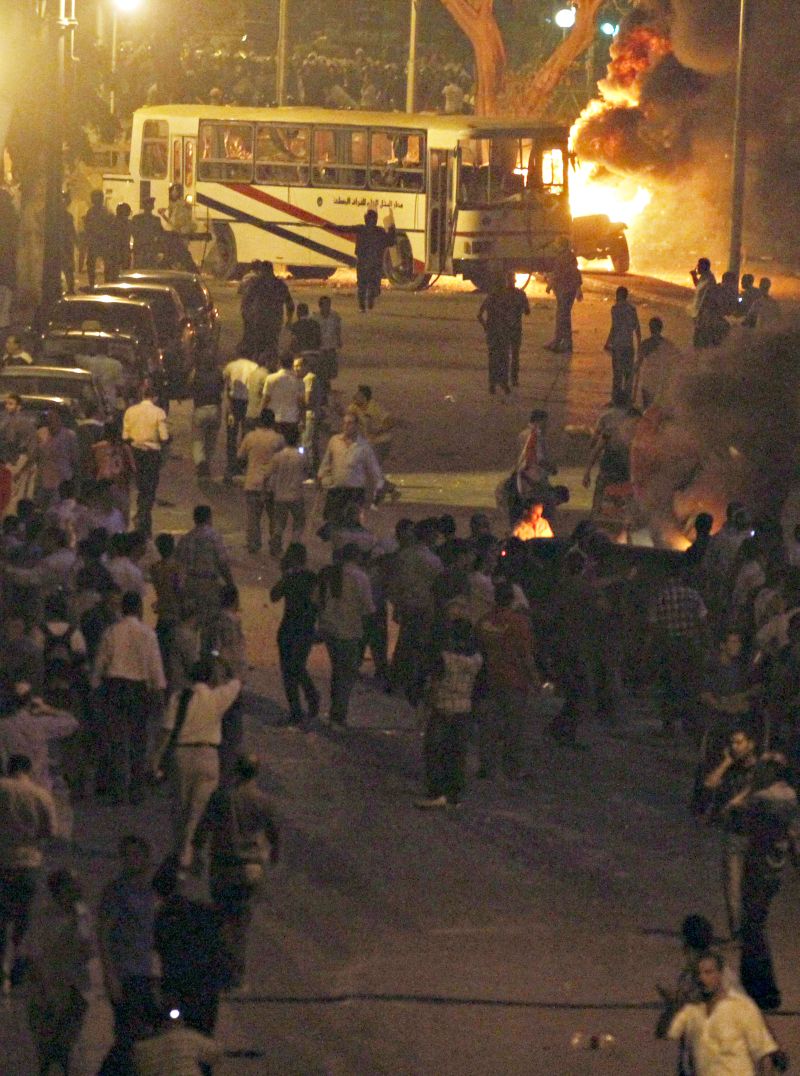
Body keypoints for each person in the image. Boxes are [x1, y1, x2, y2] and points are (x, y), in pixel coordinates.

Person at [192, 753, 280, 992]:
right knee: (240, 924)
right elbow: (274, 834)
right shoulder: (264, 801)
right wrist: (273, 854)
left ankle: (220, 973)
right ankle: (236, 976)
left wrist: (197, 853)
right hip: (250, 868)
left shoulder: (221, 797)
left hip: (223, 867)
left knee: (221, 920)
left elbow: (202, 830)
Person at [152, 659, 241, 869]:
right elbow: (237, 681)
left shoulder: (179, 698)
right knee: (199, 810)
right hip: (208, 755)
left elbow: (166, 731)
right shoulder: (218, 697)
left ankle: (180, 851)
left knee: (180, 807)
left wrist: (155, 759)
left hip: (181, 755)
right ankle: (189, 851)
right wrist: (224, 671)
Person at [151, 857, 229, 1058]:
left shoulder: (162, 916)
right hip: (205, 985)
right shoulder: (202, 911)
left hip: (177, 986)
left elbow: (159, 950)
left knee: (176, 1038)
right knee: (202, 1037)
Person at [93, 590, 167, 804]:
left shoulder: (111, 631)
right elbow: (155, 668)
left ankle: (117, 789)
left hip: (115, 687)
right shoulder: (148, 634)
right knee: (138, 740)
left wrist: (96, 686)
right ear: (139, 609)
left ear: (122, 608)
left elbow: (100, 664)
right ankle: (136, 788)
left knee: (116, 739)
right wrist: (158, 693)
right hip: (138, 689)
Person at [738, 758, 797, 1011]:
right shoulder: (790, 795)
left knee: (752, 927)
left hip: (758, 865)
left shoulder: (762, 797)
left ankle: (761, 989)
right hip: (777, 864)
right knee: (756, 925)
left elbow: (743, 823)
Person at [97, 834, 159, 1074]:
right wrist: (110, 976)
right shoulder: (116, 891)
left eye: (136, 855)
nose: (131, 860)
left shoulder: (149, 891)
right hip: (125, 972)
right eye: (126, 855)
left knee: (143, 1034)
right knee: (127, 1035)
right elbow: (103, 933)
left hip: (145, 970)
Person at [664, 950, 778, 1075]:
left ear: (720, 974)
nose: (702, 978)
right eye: (698, 974)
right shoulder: (691, 1010)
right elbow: (666, 1033)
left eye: (708, 973)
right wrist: (671, 1008)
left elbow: (764, 1053)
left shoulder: (742, 1007)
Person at [26, 868, 94, 1076]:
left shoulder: (82, 915)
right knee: (47, 1046)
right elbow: (33, 956)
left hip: (74, 987)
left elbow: (87, 950)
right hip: (48, 989)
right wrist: (44, 989)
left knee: (65, 1044)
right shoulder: (44, 918)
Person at [0, 754, 57, 995]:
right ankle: (18, 972)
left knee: (1, 920)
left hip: (2, 861)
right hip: (29, 862)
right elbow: (51, 831)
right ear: (29, 769)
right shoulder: (41, 794)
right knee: (24, 921)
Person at [415, 619, 483, 809]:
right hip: (464, 709)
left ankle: (437, 791)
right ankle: (455, 793)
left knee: (435, 751)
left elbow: (430, 678)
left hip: (442, 707)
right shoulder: (477, 660)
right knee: (457, 753)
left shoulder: (444, 658)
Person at [475, 581, 540, 780]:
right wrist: (535, 681)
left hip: (488, 678)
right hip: (513, 680)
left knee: (488, 726)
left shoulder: (484, 621)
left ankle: (487, 766)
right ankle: (513, 768)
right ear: (512, 600)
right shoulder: (519, 623)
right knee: (514, 727)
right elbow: (526, 657)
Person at [702, 723, 759, 940]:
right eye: (732, 743)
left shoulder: (760, 769)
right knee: (732, 888)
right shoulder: (731, 768)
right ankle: (738, 934)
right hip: (734, 834)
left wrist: (736, 802)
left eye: (739, 742)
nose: (734, 747)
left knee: (752, 889)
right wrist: (726, 761)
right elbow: (710, 783)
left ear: (750, 744)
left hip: (755, 835)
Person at [317, 544, 375, 726]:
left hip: (329, 629)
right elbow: (368, 608)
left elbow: (316, 600)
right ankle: (338, 716)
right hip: (348, 631)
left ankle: (335, 712)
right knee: (346, 676)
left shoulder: (328, 574)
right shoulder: (360, 577)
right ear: (357, 557)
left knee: (338, 672)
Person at [648, 570, 708, 734]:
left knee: (668, 684)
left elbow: (654, 624)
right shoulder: (694, 595)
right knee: (688, 684)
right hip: (689, 644)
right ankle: (689, 723)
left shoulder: (661, 597)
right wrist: (703, 643)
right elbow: (703, 620)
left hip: (669, 645)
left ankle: (669, 724)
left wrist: (653, 646)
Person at [270, 543, 320, 728]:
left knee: (289, 670)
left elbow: (274, 596)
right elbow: (318, 604)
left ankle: (299, 708)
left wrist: (286, 576)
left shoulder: (291, 577)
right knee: (297, 667)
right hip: (305, 628)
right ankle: (309, 698)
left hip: (290, 627)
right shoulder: (312, 578)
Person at [317, 411, 383, 525]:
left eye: (350, 423)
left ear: (356, 425)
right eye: (344, 423)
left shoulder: (364, 446)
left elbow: (374, 468)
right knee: (333, 524)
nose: (346, 426)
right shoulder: (334, 441)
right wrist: (320, 476)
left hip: (355, 492)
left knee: (352, 524)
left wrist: (379, 486)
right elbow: (327, 461)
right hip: (336, 490)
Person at [122, 383, 170, 537]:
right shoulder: (159, 412)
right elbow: (164, 437)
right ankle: (142, 518)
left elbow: (125, 436)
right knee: (149, 490)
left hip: (134, 452)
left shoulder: (130, 411)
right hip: (151, 453)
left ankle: (142, 519)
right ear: (154, 397)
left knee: (139, 487)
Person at [237, 409, 285, 555]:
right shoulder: (279, 439)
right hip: (272, 485)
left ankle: (253, 544)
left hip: (253, 482)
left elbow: (240, 457)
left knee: (253, 517)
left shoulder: (250, 437)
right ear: (273, 422)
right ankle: (275, 545)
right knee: (274, 518)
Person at [175, 504, 234, 618]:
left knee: (192, 620)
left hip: (190, 584)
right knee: (209, 620)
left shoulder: (186, 538)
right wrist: (230, 583)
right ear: (209, 518)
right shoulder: (214, 537)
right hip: (209, 585)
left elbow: (177, 567)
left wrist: (177, 589)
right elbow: (222, 563)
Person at [477, 274, 530, 392]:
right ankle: (508, 381)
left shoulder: (492, 297)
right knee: (507, 357)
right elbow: (526, 311)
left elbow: (479, 315)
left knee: (494, 358)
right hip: (508, 330)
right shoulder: (515, 295)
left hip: (495, 332)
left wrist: (486, 327)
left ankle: (493, 384)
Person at [335, 208, 396, 312]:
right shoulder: (376, 231)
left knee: (366, 286)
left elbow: (344, 229)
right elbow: (390, 241)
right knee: (369, 286)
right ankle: (366, 302)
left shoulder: (365, 230)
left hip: (367, 263)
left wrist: (330, 226)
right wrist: (391, 229)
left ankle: (365, 304)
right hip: (371, 263)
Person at [239, 260, 294, 362]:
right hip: (274, 321)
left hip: (260, 320)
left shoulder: (257, 283)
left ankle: (260, 366)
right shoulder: (279, 284)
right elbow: (290, 304)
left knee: (259, 346)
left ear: (263, 270)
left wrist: (247, 316)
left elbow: (247, 300)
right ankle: (270, 364)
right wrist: (289, 319)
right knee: (271, 345)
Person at [266, 426, 306, 557]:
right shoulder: (301, 457)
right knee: (299, 522)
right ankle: (294, 546)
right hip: (296, 495)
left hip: (280, 495)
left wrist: (266, 489)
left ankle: (276, 544)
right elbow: (307, 471)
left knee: (279, 523)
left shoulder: (278, 456)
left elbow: (268, 473)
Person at [222, 352, 258, 478]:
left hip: (233, 402)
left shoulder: (231, 365)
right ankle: (242, 462)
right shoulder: (254, 366)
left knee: (231, 434)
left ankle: (231, 464)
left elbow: (225, 381)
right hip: (248, 401)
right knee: (246, 433)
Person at [634, 317, 681, 411]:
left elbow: (638, 364)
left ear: (650, 328)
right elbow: (678, 360)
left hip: (648, 381)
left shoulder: (645, 344)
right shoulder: (668, 345)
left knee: (647, 410)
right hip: (661, 382)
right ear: (661, 328)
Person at [544, 237, 582, 353]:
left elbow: (558, 274)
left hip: (565, 291)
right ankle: (561, 341)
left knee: (563, 317)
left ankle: (562, 342)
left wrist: (549, 285)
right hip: (566, 291)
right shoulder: (568, 257)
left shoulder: (563, 258)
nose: (554, 245)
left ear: (561, 245)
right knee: (563, 316)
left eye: (556, 243)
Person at [35, 409, 79, 508]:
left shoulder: (69, 435)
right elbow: (36, 455)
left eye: (53, 417)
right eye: (48, 418)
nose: (50, 420)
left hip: (62, 479)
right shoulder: (41, 433)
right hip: (44, 478)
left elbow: (74, 458)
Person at [605, 285, 641, 401]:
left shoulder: (615, 309)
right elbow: (637, 328)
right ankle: (627, 397)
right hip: (629, 345)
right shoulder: (632, 309)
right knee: (628, 373)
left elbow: (614, 327)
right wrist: (639, 344)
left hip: (618, 345)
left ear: (618, 295)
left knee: (617, 373)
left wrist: (608, 342)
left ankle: (616, 398)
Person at [189, 359, 223, 478]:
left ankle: (200, 462)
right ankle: (207, 463)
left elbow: (190, 386)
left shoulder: (196, 372)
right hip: (215, 408)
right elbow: (222, 388)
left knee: (198, 440)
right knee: (211, 440)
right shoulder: (219, 373)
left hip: (200, 408)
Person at [262, 352, 304, 441]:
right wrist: (302, 420)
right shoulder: (299, 381)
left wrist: (261, 418)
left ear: (280, 363)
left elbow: (266, 400)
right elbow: (301, 403)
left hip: (274, 420)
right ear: (292, 364)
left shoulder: (271, 378)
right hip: (292, 420)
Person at [294, 354, 322, 472]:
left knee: (307, 443)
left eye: (299, 366)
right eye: (294, 366)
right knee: (303, 443)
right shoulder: (300, 379)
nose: (296, 369)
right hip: (304, 415)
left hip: (309, 416)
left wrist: (295, 398)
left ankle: (309, 470)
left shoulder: (309, 378)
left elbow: (307, 400)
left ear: (306, 366)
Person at [312, 295, 343, 394]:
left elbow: (338, 329)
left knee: (330, 370)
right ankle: (323, 389)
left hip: (331, 346)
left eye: (328, 304)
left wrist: (338, 340)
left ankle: (325, 388)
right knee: (321, 370)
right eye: (325, 305)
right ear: (320, 306)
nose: (327, 307)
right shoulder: (315, 318)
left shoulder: (335, 316)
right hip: (320, 347)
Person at [83, 189, 113, 288]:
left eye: (97, 197)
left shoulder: (105, 212)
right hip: (95, 241)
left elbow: (109, 227)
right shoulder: (91, 211)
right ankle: (93, 283)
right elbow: (87, 226)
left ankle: (106, 283)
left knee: (106, 264)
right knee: (91, 264)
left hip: (102, 241)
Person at [130, 197, 164, 269]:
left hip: (139, 248)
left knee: (139, 270)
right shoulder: (156, 220)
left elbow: (133, 232)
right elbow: (160, 234)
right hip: (151, 249)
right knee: (151, 270)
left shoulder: (136, 218)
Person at [105, 202, 133, 282]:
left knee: (115, 274)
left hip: (117, 252)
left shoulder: (113, 223)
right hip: (119, 251)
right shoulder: (126, 223)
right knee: (122, 274)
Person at [59, 192, 77, 295]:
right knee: (68, 268)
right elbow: (72, 231)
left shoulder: (66, 216)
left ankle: (70, 288)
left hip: (64, 245)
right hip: (65, 245)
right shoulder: (67, 216)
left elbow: (71, 231)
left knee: (67, 268)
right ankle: (70, 288)